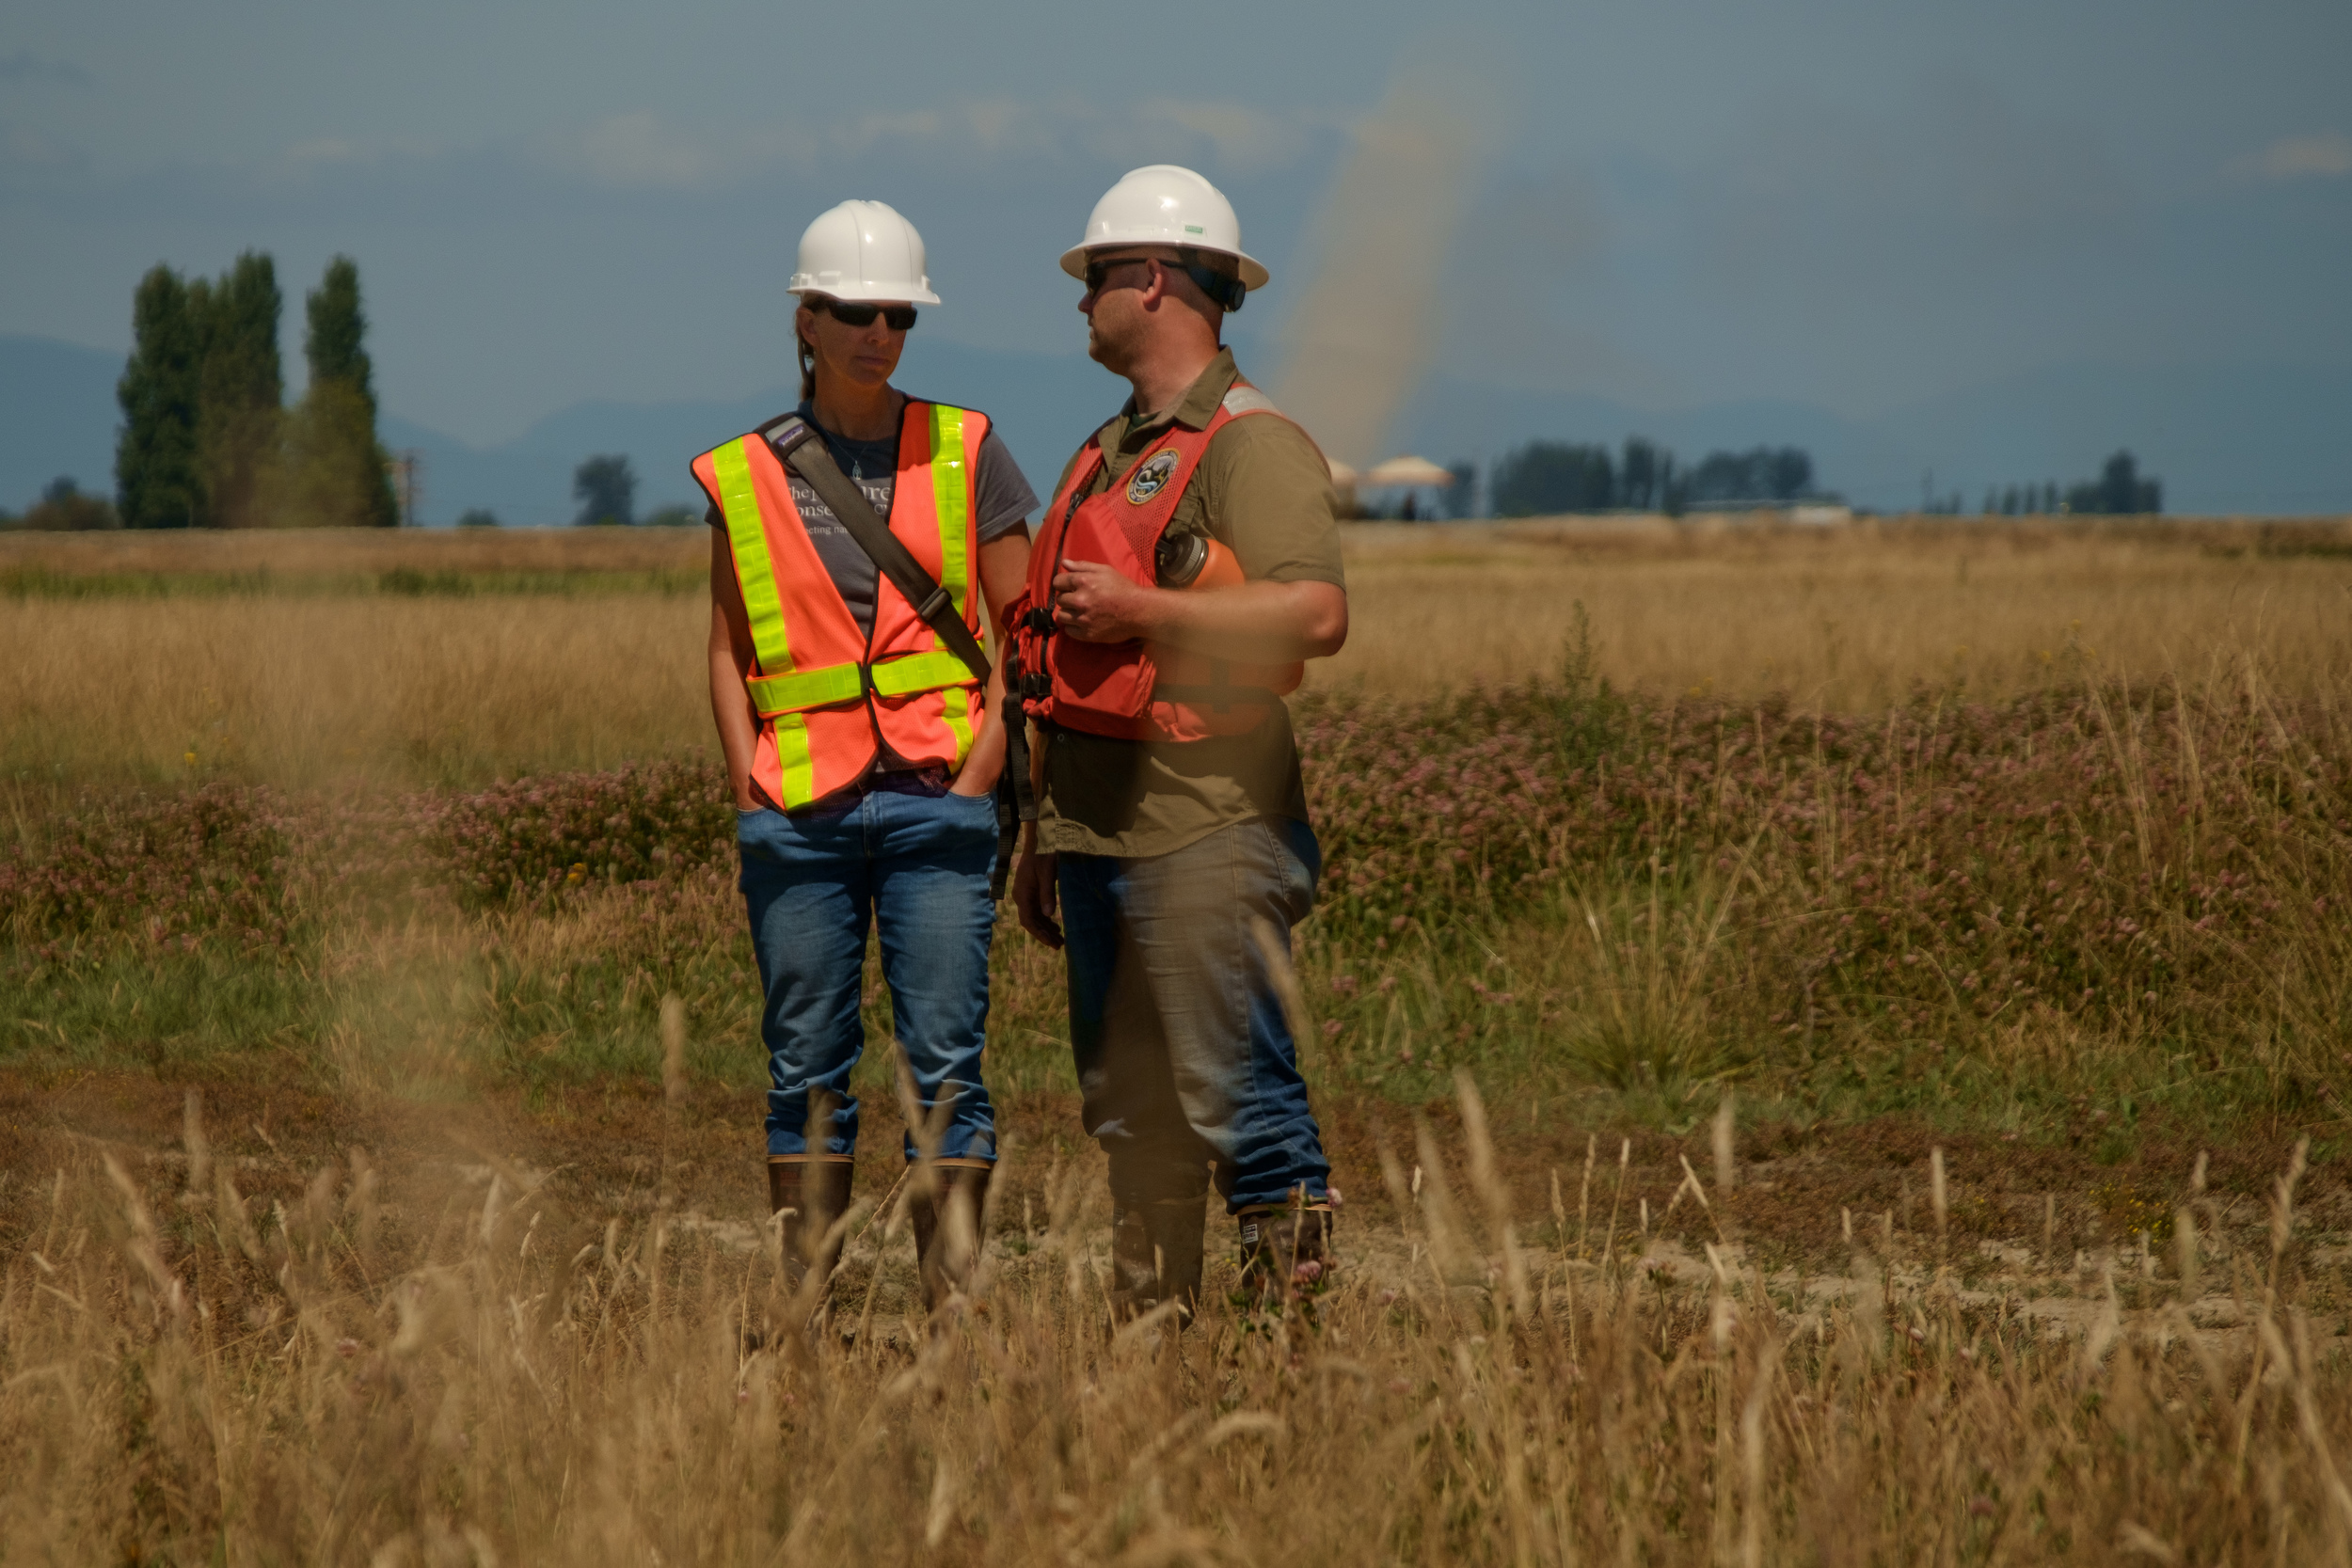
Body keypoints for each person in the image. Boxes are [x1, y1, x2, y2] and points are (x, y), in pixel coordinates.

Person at [1009, 166, 1349, 1323]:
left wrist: (1150, 611)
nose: (1081, 302)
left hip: (1208, 825)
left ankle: (1292, 1359)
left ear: (1150, 281)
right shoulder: (1102, 453)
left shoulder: (1251, 446)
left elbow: (1316, 614)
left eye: (1095, 277)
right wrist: (1043, 832)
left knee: (1241, 1099)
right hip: (1098, 832)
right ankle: (1153, 1354)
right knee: (1131, 1113)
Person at [693, 199, 1037, 1312]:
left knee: (945, 1067)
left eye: (896, 313)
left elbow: (1023, 635)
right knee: (804, 1072)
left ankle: (955, 1322)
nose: (875, 331)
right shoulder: (743, 474)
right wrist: (751, 780)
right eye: (852, 310)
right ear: (806, 317)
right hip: (797, 808)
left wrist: (985, 767)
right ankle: (803, 1317)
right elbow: (725, 651)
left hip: (942, 798)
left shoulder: (968, 447)